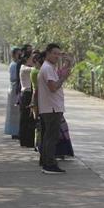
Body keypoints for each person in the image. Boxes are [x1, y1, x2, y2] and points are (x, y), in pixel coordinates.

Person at [37, 43, 71, 174]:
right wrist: (63, 78)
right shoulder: (47, 68)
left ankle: (46, 162)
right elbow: (53, 87)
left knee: (49, 136)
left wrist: (67, 64)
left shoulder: (49, 67)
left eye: (58, 54)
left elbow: (61, 75)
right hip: (52, 108)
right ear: (48, 53)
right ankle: (49, 164)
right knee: (51, 136)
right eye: (54, 53)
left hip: (51, 107)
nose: (57, 56)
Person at [18, 53, 36, 148]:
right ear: (26, 59)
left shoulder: (26, 68)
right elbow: (36, 69)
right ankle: (25, 140)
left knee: (28, 118)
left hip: (28, 93)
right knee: (26, 117)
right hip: (27, 94)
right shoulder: (24, 68)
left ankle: (27, 140)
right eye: (32, 59)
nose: (34, 60)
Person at [4, 48, 21, 139]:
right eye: (18, 54)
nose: (20, 56)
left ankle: (17, 131)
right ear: (14, 55)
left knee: (17, 112)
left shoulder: (18, 64)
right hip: (14, 90)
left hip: (15, 89)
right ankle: (14, 132)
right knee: (14, 112)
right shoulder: (14, 65)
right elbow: (13, 78)